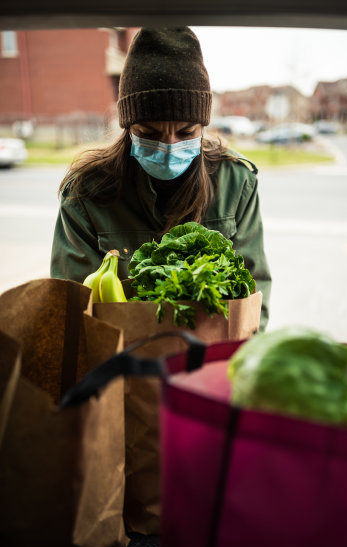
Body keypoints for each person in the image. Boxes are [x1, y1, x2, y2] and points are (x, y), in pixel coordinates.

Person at [50, 27, 272, 329]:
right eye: (149, 134)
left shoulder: (236, 183)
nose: (169, 146)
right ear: (128, 128)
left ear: (203, 126)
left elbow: (252, 300)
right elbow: (72, 310)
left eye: (185, 133)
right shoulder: (86, 192)